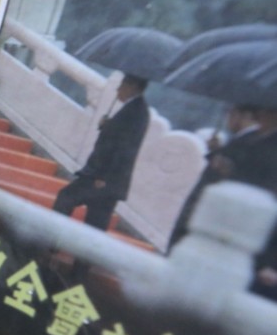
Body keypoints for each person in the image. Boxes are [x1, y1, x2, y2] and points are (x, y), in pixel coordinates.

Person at [53, 73, 150, 231]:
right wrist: (108, 125)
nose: (118, 89)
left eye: (123, 85)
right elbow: (117, 136)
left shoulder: (136, 112)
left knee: (66, 198)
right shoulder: (135, 109)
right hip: (107, 181)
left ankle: (48, 241)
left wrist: (103, 177)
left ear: (132, 87)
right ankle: (81, 255)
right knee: (95, 224)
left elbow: (125, 148)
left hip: (101, 179)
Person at [168, 105, 260, 250]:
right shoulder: (241, 142)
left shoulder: (245, 144)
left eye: (231, 114)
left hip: (204, 216)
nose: (228, 119)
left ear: (243, 116)